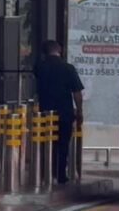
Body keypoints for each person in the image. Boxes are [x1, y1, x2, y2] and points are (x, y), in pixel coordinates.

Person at [33, 40, 84, 184]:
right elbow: (77, 93)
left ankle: (46, 172)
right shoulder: (68, 68)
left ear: (44, 52)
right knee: (63, 144)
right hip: (64, 112)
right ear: (60, 50)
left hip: (45, 112)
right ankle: (61, 174)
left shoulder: (39, 67)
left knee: (47, 142)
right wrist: (79, 111)